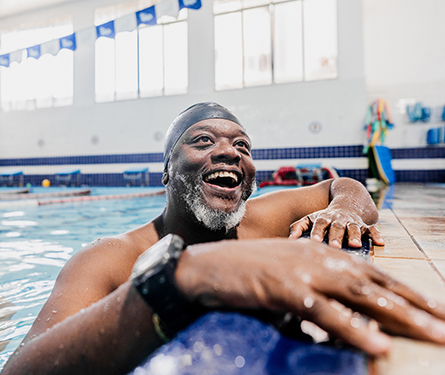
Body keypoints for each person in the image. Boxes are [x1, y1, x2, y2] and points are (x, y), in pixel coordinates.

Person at [3, 102, 445, 375]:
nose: (230, 152)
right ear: (166, 171)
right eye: (203, 140)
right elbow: (24, 367)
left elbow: (344, 186)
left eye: (243, 147)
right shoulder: (111, 259)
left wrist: (343, 211)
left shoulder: (263, 219)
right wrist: (180, 277)